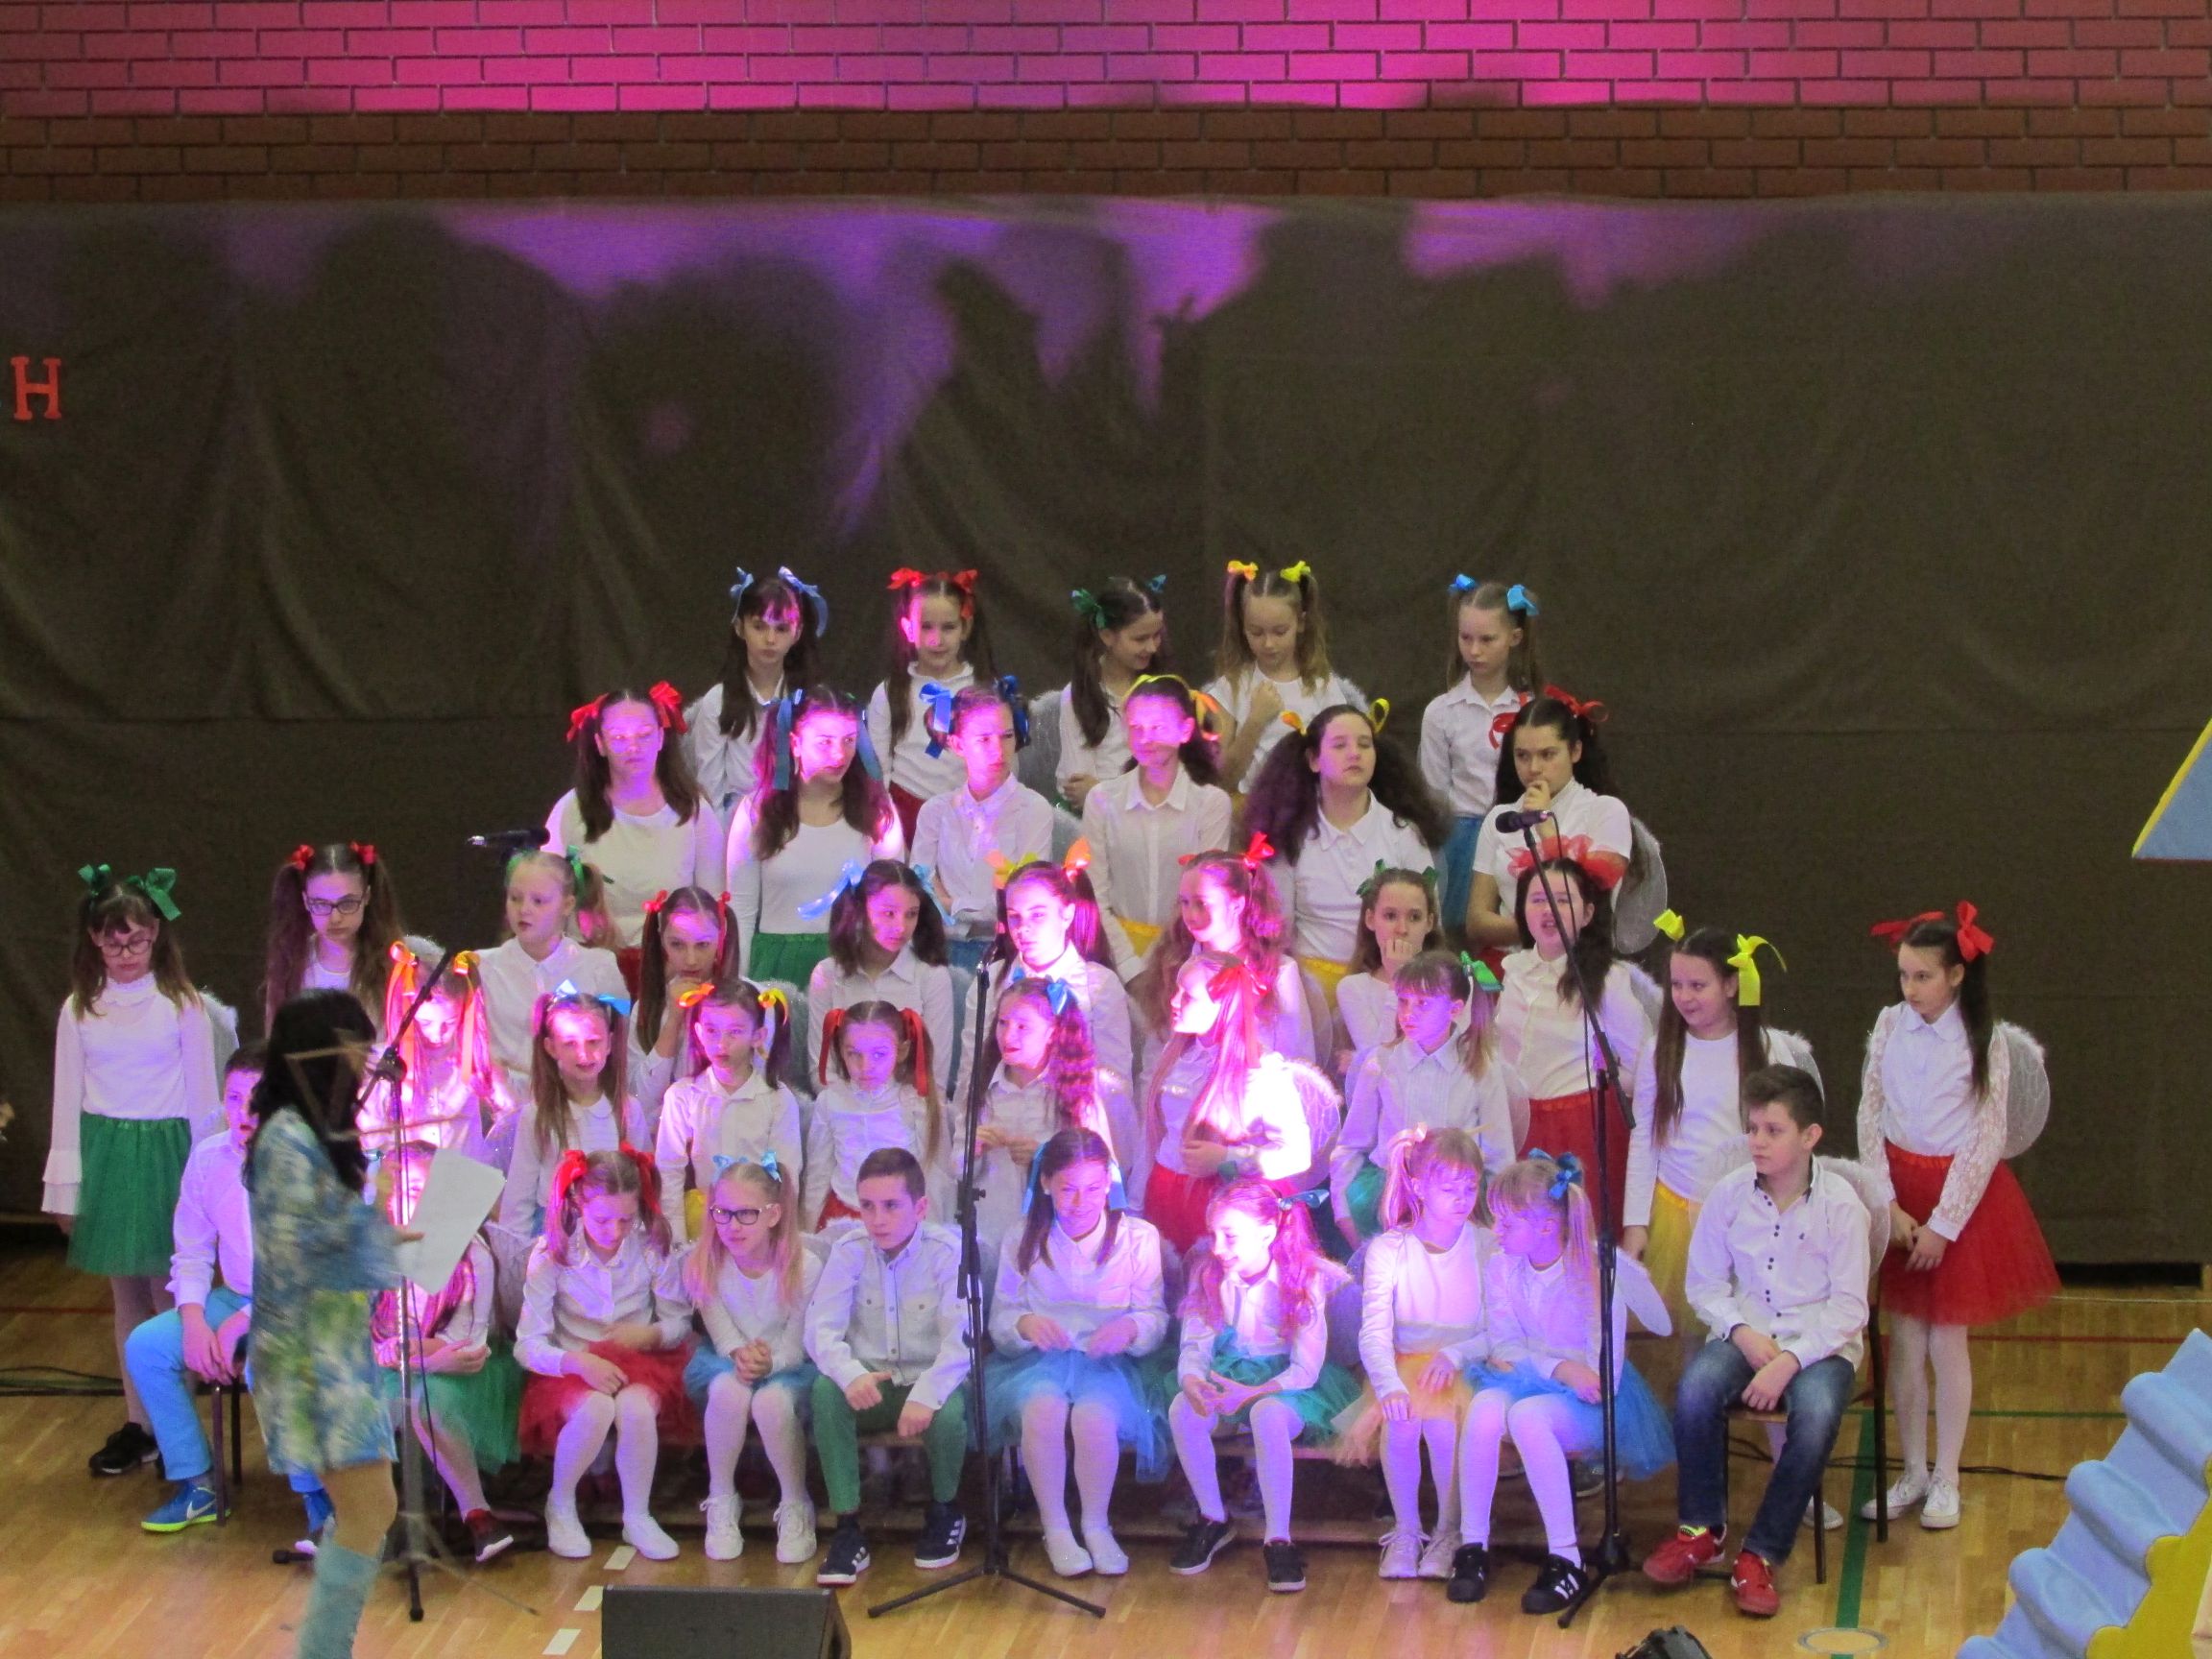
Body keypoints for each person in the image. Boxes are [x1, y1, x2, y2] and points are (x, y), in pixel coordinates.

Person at [1643, 1065, 1869, 1620]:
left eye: (1773, 1130)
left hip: (1818, 1345)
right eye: (1752, 1129)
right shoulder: (1728, 1195)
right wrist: (1742, 1334)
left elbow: (1848, 1309)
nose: (1757, 1142)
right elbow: (1704, 1285)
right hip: (1747, 1333)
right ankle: (1702, 1530)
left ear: (1810, 1136)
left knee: (1816, 1416)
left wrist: (1790, 1360)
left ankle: (1761, 1553)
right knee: (1695, 1391)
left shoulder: (1842, 1206)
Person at [1857, 903, 2056, 1532]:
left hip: (1958, 1201)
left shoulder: (1982, 1038)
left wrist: (1944, 1225)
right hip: (1901, 1193)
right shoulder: (1889, 1024)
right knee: (1905, 1340)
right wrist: (1887, 1202)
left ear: (1956, 976)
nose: (1910, 988)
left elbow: (1987, 1135)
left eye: (1922, 976)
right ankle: (1913, 1470)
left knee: (1946, 1340)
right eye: (1904, 975)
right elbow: (1870, 1111)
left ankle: (1947, 1475)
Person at [245, 991, 411, 1659]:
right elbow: (301, 1253)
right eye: (356, 1052)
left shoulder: (312, 1133)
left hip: (334, 1349)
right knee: (370, 1509)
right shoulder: (287, 1141)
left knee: (373, 1509)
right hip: (307, 1359)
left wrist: (376, 1222)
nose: (365, 1067)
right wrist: (377, 1221)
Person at [53, 864, 223, 1479]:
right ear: (93, 940)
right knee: (125, 1294)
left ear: (157, 936)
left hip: (167, 1157)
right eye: (112, 940)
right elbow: (66, 1102)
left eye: (137, 939)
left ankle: (176, 1427)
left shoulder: (183, 1006)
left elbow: (205, 1103)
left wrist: (208, 1188)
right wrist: (64, 1189)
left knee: (169, 1295)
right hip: (108, 1158)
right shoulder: (80, 1008)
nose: (125, 953)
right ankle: (140, 1425)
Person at [1453, 1152, 1673, 1614]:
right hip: (1539, 1378)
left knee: (1527, 1417)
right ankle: (1472, 1545)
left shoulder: (1594, 1271)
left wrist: (1569, 1373)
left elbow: (1602, 1374)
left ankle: (1566, 1557)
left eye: (1507, 1222)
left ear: (1547, 1227)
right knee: (1485, 1408)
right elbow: (1505, 1345)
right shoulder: (1502, 1266)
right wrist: (1559, 1368)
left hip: (1594, 1398)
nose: (1496, 1231)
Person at [127, 1044, 332, 1539]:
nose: (245, 1112)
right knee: (147, 1347)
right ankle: (198, 1482)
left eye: (258, 1098)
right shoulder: (208, 1157)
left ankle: (318, 1498)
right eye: (235, 1098)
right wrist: (194, 1320)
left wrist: (247, 1320)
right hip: (237, 1294)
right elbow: (192, 1250)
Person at [1624, 915, 1819, 1340]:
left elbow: (1791, 1135)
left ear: (1731, 985)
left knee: (1744, 1324)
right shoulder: (1661, 1050)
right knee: (1684, 1336)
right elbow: (1644, 1138)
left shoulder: (1766, 1047)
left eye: (1698, 985)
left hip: (1745, 1211)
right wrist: (1635, 1221)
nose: (1684, 997)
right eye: (1677, 985)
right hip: (1676, 1211)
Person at [986, 1128, 1169, 1577]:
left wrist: (1130, 1328)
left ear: (1108, 1183)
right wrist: (1025, 1324)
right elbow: (1002, 1315)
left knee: (1094, 1418)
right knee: (1042, 1410)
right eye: (1068, 1188)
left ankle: (1096, 1524)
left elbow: (1154, 1314)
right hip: (1039, 1361)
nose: (1080, 1201)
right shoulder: (1022, 1237)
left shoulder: (1137, 1238)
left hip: (1108, 1363)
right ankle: (1055, 1527)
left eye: (1092, 1188)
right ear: (1046, 1183)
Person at [1165, 1178, 1358, 1595]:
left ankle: (1278, 1539)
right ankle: (1213, 1518)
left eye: (1230, 1236)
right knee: (1183, 1408)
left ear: (1267, 1232)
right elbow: (1195, 1345)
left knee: (1267, 1416)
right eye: (1214, 1234)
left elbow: (1305, 1368)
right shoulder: (1209, 1273)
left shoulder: (1301, 1278)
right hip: (1230, 1373)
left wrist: (1253, 1393)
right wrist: (1193, 1378)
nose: (1218, 1247)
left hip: (1288, 1385)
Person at [516, 1147, 694, 1561]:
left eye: (626, 1219)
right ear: (578, 1203)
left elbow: (679, 1322)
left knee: (636, 1407)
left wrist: (648, 1335)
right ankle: (561, 1504)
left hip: (640, 1362)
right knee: (595, 1409)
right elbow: (528, 1344)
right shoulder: (552, 1255)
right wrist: (577, 1362)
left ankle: (637, 1515)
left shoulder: (650, 1248)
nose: (615, 1231)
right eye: (602, 1220)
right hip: (573, 1367)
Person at [805, 1147, 973, 1587]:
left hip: (927, 1379)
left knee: (949, 1410)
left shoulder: (948, 1251)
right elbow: (820, 1330)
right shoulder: (848, 1250)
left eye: (891, 1206)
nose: (877, 1219)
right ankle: (847, 1527)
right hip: (873, 1381)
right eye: (867, 1206)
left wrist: (927, 1394)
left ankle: (944, 1509)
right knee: (825, 1392)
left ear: (921, 1207)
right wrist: (850, 1375)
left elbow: (963, 1339)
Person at [1336, 1128, 1493, 1582]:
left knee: (1442, 1422)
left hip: (1468, 1364)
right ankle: (1406, 1530)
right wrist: (1387, 1385)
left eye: (1470, 1187)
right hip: (1406, 1365)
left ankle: (1449, 1531)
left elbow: (1500, 1328)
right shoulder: (1389, 1249)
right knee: (1401, 1419)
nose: (1462, 1199)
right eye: (1449, 1188)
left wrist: (1457, 1354)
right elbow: (1374, 1331)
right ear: (1419, 1186)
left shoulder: (1486, 1244)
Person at [372, 1143, 524, 1565]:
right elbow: (376, 1336)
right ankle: (359, 1516)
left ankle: (478, 1514)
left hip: (468, 1373)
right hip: (406, 1365)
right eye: (404, 1190)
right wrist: (425, 1358)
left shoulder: (472, 1254)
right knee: (358, 1401)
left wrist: (421, 1355)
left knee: (427, 1403)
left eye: (424, 1189)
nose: (414, 1201)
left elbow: (467, 1346)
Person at [1240, 702, 1450, 1005]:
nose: (1355, 754)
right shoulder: (1288, 836)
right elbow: (1276, 932)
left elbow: (1430, 924)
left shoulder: (1404, 834)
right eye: (1340, 745)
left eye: (1364, 745)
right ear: (1314, 760)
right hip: (1309, 988)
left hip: (1387, 985)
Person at [1494, 853, 1651, 1231]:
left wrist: (1603, 1084)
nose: (1549, 910)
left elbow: (1643, 1067)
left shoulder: (1606, 981)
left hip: (1582, 1131)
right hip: (1518, 1126)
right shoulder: (1512, 972)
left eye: (1563, 900)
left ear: (1587, 913)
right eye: (1537, 899)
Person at [678, 1156, 821, 1564]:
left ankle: (795, 1503)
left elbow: (797, 1344)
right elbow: (722, 1336)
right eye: (722, 1213)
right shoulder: (704, 1263)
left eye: (746, 1214)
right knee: (729, 1390)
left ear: (773, 1215)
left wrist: (769, 1364)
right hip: (730, 1361)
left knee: (771, 1401)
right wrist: (741, 1356)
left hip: (790, 1366)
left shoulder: (805, 1266)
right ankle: (721, 1498)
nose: (732, 1226)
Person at [1333, 950, 1520, 1248]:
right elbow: (1352, 1145)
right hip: (1391, 1201)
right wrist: (1343, 1213)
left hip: (1459, 1206)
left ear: (1454, 1008)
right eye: (1403, 1001)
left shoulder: (1480, 1068)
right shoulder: (1382, 1063)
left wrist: (1497, 1225)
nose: (1408, 1013)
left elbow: (1500, 1156)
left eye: (1423, 1003)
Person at [1141, 952, 1323, 1256]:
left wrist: (1228, 1157)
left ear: (1224, 1005)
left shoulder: (1261, 1071)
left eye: (1188, 996)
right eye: (1176, 990)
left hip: (1224, 1206)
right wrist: (1135, 1205)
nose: (1174, 1001)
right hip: (1165, 1192)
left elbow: (1297, 1154)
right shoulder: (1176, 1056)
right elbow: (1153, 1138)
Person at [725, 686, 905, 987]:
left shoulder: (876, 809)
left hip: (851, 965)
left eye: (849, 740)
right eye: (824, 742)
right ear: (794, 743)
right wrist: (738, 985)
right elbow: (741, 911)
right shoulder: (757, 811)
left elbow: (894, 902)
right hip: (777, 969)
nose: (839, 754)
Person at [546, 685, 725, 956]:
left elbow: (714, 902)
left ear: (661, 738)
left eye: (644, 735)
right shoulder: (572, 809)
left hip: (672, 964)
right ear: (600, 744)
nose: (633, 747)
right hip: (592, 962)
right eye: (618, 737)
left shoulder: (692, 810)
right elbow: (546, 895)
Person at [1078, 674, 1232, 984]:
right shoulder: (1102, 799)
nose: (1146, 738)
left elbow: (1205, 895)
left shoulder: (1210, 803)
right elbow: (1094, 894)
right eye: (1136, 728)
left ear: (1185, 730)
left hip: (1184, 957)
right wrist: (1129, 968)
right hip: (1114, 956)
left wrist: (1163, 966)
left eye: (1158, 727)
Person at [968, 974, 1135, 1253]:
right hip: (990, 1230)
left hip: (1055, 1235)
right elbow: (957, 1169)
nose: (1008, 1036)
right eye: (1003, 1023)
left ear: (1052, 1032)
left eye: (1023, 1027)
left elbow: (1104, 1172)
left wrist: (1045, 1157)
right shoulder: (986, 1086)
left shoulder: (1078, 1093)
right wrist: (970, 1150)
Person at [1420, 577, 1540, 937]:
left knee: (1521, 930)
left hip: (1523, 833)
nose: (1474, 650)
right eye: (1466, 638)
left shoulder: (1532, 709)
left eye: (1487, 639)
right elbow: (1433, 792)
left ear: (1514, 638)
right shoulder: (1442, 712)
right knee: (1461, 936)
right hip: (1461, 844)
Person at [1465, 691, 1631, 950]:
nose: (1533, 768)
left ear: (1575, 751)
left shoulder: (1606, 811)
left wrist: (1546, 828)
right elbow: (1477, 922)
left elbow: (1591, 910)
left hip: (1582, 960)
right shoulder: (1501, 818)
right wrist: (1540, 927)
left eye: (1547, 755)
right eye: (1522, 756)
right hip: (1515, 962)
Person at [910, 682, 1053, 974]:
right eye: (984, 739)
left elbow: (1022, 900)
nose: (999, 750)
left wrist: (951, 904)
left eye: (1007, 736)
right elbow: (920, 890)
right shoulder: (936, 811)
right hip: (939, 953)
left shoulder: (1033, 809)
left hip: (1006, 953)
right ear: (957, 744)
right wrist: (947, 904)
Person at [654, 976, 803, 1244]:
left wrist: (779, 1238)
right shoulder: (683, 1096)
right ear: (699, 1032)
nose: (721, 1044)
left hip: (758, 1222)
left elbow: (787, 1174)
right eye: (712, 1030)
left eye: (734, 1032)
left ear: (758, 1036)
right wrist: (676, 1241)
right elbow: (669, 1171)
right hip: (703, 1221)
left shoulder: (777, 1099)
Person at [473, 849, 626, 1097]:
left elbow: (622, 1044)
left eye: (538, 901)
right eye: (515, 898)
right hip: (505, 1102)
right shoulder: (483, 966)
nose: (524, 909)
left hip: (576, 1101)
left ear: (567, 905)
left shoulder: (599, 967)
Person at [498, 988, 648, 1236]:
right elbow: (519, 1198)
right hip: (555, 1236)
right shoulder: (537, 1116)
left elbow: (643, 1187)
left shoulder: (628, 1111)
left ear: (609, 1043)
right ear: (551, 1047)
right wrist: (517, 1250)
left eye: (593, 1041)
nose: (584, 1054)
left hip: (614, 1233)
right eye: (570, 1043)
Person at [1204, 561, 1361, 793]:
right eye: (1256, 632)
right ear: (1242, 627)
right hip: (1251, 808)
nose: (1268, 643)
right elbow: (1221, 781)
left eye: (1280, 632)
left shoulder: (1322, 687)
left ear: (1301, 623)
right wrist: (1255, 722)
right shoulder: (1230, 689)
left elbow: (1344, 764)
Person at [805, 859, 956, 1096]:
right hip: (843, 1109)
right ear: (860, 910)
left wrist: (886, 1110)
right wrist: (857, 1107)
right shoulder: (828, 974)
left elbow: (935, 1076)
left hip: (910, 1110)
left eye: (911, 914)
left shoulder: (932, 977)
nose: (901, 927)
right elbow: (821, 1073)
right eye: (889, 913)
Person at [687, 565, 827, 816]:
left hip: (797, 816)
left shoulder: (811, 699)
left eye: (781, 628)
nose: (770, 639)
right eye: (759, 626)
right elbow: (710, 789)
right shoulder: (718, 701)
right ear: (739, 627)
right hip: (737, 820)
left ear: (797, 633)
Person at [868, 567, 997, 838]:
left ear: (965, 628)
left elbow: (1002, 761)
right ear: (908, 629)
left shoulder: (985, 690)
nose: (936, 640)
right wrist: (888, 827)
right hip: (905, 817)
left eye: (948, 627)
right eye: (926, 627)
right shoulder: (889, 692)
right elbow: (878, 770)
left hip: (969, 818)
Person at [805, 1001, 951, 1226]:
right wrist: (807, 1230)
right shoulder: (830, 1101)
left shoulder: (916, 1103)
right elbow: (818, 1173)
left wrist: (934, 1233)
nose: (866, 1066)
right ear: (840, 1051)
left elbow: (936, 1176)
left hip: (900, 1219)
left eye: (879, 1054)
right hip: (843, 1216)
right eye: (854, 1054)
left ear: (901, 1051)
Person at [261, 842, 406, 1034]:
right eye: (321, 904)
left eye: (347, 903)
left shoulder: (397, 960)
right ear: (306, 901)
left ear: (366, 897)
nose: (335, 918)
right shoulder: (291, 963)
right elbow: (275, 1039)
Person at [625, 885, 734, 1137]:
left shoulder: (751, 1003)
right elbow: (640, 1100)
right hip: (663, 1140)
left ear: (721, 938)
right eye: (677, 945)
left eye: (703, 945)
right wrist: (673, 1020)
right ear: (662, 941)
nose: (691, 959)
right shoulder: (648, 1008)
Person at [1060, 576, 1169, 811]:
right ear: (1107, 636)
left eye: (1157, 635)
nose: (1152, 647)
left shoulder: (1164, 689)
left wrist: (1104, 790)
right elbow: (1078, 788)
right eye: (1140, 639)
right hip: (1096, 819)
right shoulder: (1079, 694)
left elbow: (1168, 775)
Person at [1330, 866, 1446, 1076]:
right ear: (1370, 919)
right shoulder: (1353, 988)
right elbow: (1380, 1067)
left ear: (1429, 923)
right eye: (1390, 916)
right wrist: (1398, 981)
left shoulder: (1451, 983)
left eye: (1414, 917)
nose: (1402, 929)